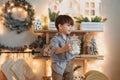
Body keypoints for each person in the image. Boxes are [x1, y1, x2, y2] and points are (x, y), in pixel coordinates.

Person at [49, 15, 75, 80]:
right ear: (60, 26)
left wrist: (75, 49)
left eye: (71, 26)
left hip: (69, 64)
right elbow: (55, 50)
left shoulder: (70, 39)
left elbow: (72, 50)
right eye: (68, 25)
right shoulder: (55, 39)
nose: (70, 28)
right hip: (58, 66)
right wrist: (64, 48)